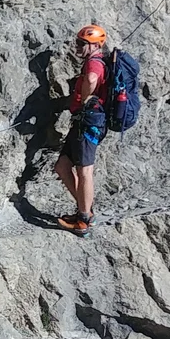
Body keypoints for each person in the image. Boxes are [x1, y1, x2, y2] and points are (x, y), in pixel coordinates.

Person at [55, 25, 109, 236]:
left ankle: (83, 220)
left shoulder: (94, 63)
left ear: (95, 45)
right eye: (77, 42)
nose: (77, 46)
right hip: (84, 121)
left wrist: (86, 98)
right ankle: (85, 210)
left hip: (90, 121)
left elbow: (92, 79)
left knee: (84, 170)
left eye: (82, 43)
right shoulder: (94, 61)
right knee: (62, 165)